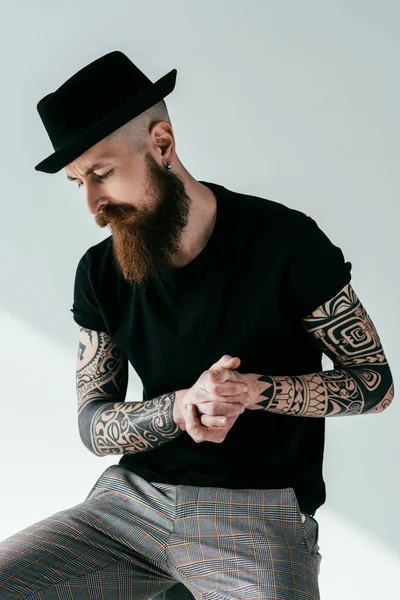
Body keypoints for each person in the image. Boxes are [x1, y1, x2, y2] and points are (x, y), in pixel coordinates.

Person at [0, 51, 394, 600]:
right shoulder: (99, 271)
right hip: (127, 509)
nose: (92, 203)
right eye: (77, 183)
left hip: (257, 516)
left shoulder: (286, 241)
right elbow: (93, 422)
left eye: (102, 174)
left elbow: (374, 383)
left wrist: (256, 391)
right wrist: (181, 406)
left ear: (161, 144)